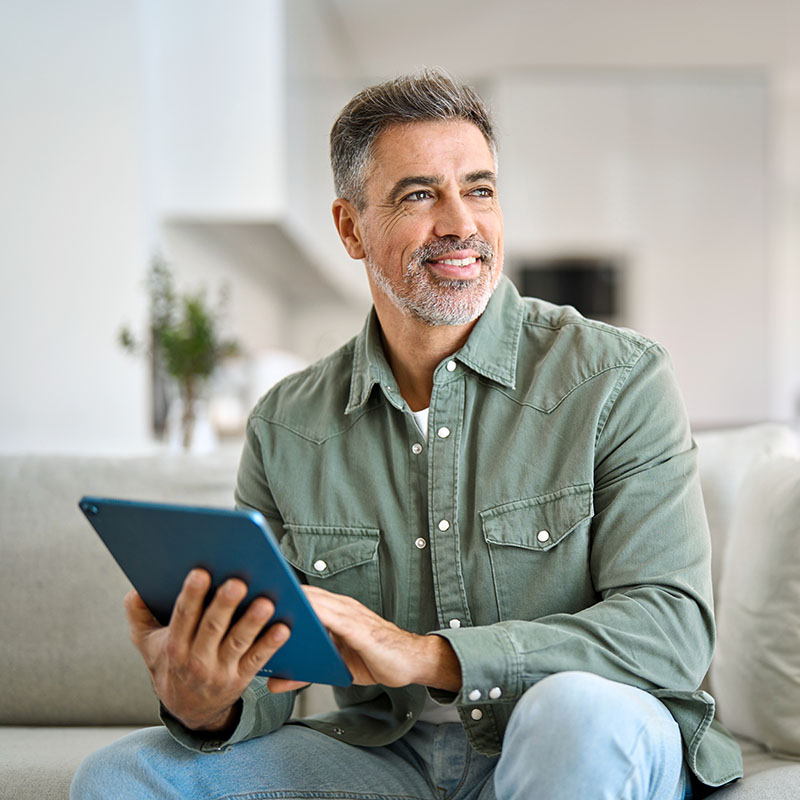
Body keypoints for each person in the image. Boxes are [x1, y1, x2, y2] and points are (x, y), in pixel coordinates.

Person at [71, 69, 742, 800]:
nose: (461, 223)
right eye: (420, 194)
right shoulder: (286, 425)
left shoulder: (618, 378)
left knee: (572, 711)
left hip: (574, 741)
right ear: (351, 228)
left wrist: (428, 656)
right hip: (386, 760)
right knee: (121, 776)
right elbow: (273, 669)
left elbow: (670, 631)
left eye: (480, 189)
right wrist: (208, 701)